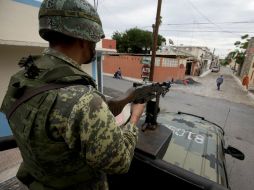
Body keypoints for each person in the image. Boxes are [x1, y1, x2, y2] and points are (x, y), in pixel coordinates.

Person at [0, 0, 145, 190]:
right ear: (84, 39)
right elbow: (120, 163)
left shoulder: (21, 78)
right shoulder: (85, 101)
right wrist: (134, 117)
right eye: (94, 38)